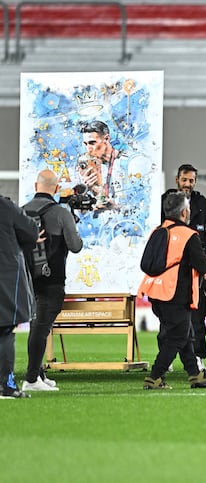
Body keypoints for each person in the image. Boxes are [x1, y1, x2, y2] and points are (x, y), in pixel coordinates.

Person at [138, 192, 206, 390]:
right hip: (176, 293)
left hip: (156, 292)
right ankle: (155, 376)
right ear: (185, 212)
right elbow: (202, 267)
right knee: (177, 337)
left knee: (184, 335)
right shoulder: (188, 235)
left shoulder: (157, 231)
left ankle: (195, 374)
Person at [21, 170, 83, 392]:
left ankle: (38, 373)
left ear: (35, 185)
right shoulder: (61, 213)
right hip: (52, 279)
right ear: (57, 189)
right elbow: (75, 246)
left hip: (26, 281)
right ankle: (31, 379)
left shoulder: (21, 212)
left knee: (36, 326)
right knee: (41, 328)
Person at [161, 164, 206, 370]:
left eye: (191, 180)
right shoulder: (165, 201)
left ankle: (198, 356)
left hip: (195, 269)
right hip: (171, 267)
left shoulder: (203, 203)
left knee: (197, 315)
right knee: (168, 317)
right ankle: (168, 356)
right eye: (184, 180)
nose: (188, 184)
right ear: (177, 180)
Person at [0, 196, 38, 398]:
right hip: (5, 275)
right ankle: (6, 386)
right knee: (5, 330)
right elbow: (31, 232)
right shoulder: (5, 206)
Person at [77, 120, 150, 210]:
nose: (88, 149)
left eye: (92, 143)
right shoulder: (93, 168)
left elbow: (143, 205)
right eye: (86, 144)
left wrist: (114, 207)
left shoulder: (133, 162)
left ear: (106, 139)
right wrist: (90, 189)